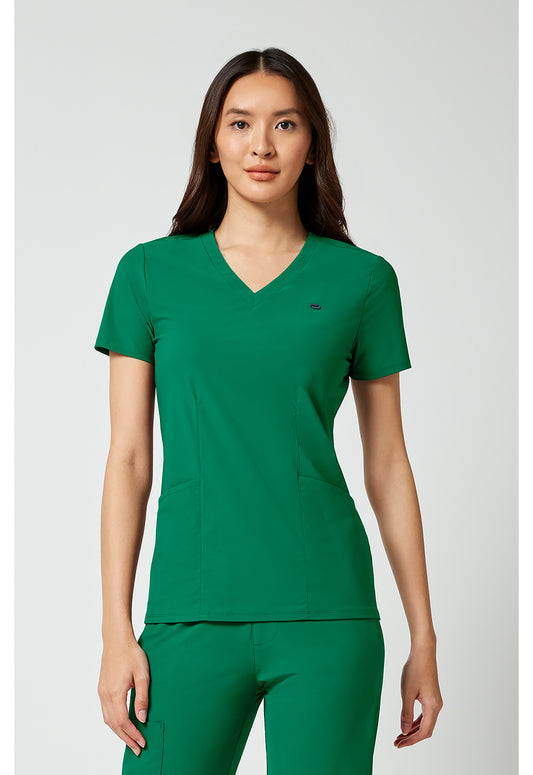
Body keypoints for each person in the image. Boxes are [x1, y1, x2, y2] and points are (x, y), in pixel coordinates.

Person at [95, 47, 443, 775]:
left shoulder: (362, 281)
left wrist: (424, 636)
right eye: (240, 123)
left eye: (284, 124)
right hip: (189, 608)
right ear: (212, 144)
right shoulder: (148, 274)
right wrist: (115, 631)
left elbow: (387, 463)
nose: (261, 145)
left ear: (312, 144)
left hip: (328, 614)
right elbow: (128, 459)